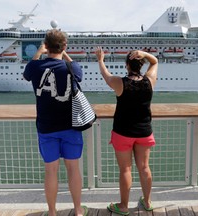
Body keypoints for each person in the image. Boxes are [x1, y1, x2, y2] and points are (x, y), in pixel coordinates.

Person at [23, 29, 87, 216]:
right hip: (71, 127)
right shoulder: (71, 67)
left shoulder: (35, 67)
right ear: (64, 46)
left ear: (46, 46)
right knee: (73, 169)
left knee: (51, 171)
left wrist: (39, 52)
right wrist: (64, 53)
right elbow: (75, 68)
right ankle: (77, 210)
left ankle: (52, 212)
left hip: (46, 127)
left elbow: (27, 73)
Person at [95, 47, 158, 215]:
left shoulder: (119, 83)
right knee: (144, 167)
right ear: (141, 65)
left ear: (126, 65)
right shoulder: (150, 80)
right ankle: (147, 201)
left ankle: (123, 206)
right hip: (144, 131)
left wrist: (100, 59)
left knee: (125, 170)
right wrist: (145, 54)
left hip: (123, 132)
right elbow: (155, 61)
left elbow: (106, 75)